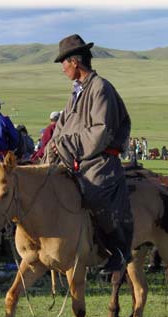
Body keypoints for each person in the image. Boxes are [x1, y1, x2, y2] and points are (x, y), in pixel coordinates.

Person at [44, 34, 133, 275]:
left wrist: (66, 144)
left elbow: (100, 132)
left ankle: (119, 249)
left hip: (99, 160)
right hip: (77, 158)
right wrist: (48, 153)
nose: (62, 69)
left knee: (94, 193)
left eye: (64, 63)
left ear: (75, 62)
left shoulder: (100, 88)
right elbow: (61, 127)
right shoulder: (76, 93)